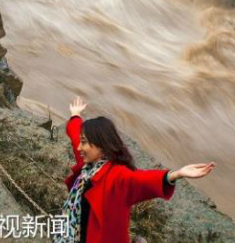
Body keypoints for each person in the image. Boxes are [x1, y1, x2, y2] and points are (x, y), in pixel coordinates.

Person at [57, 97, 215, 243]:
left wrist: (176, 174)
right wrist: (75, 115)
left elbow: (142, 180)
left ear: (101, 144)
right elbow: (75, 135)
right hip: (74, 235)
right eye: (82, 141)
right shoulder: (88, 165)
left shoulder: (117, 176)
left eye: (84, 142)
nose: (79, 147)